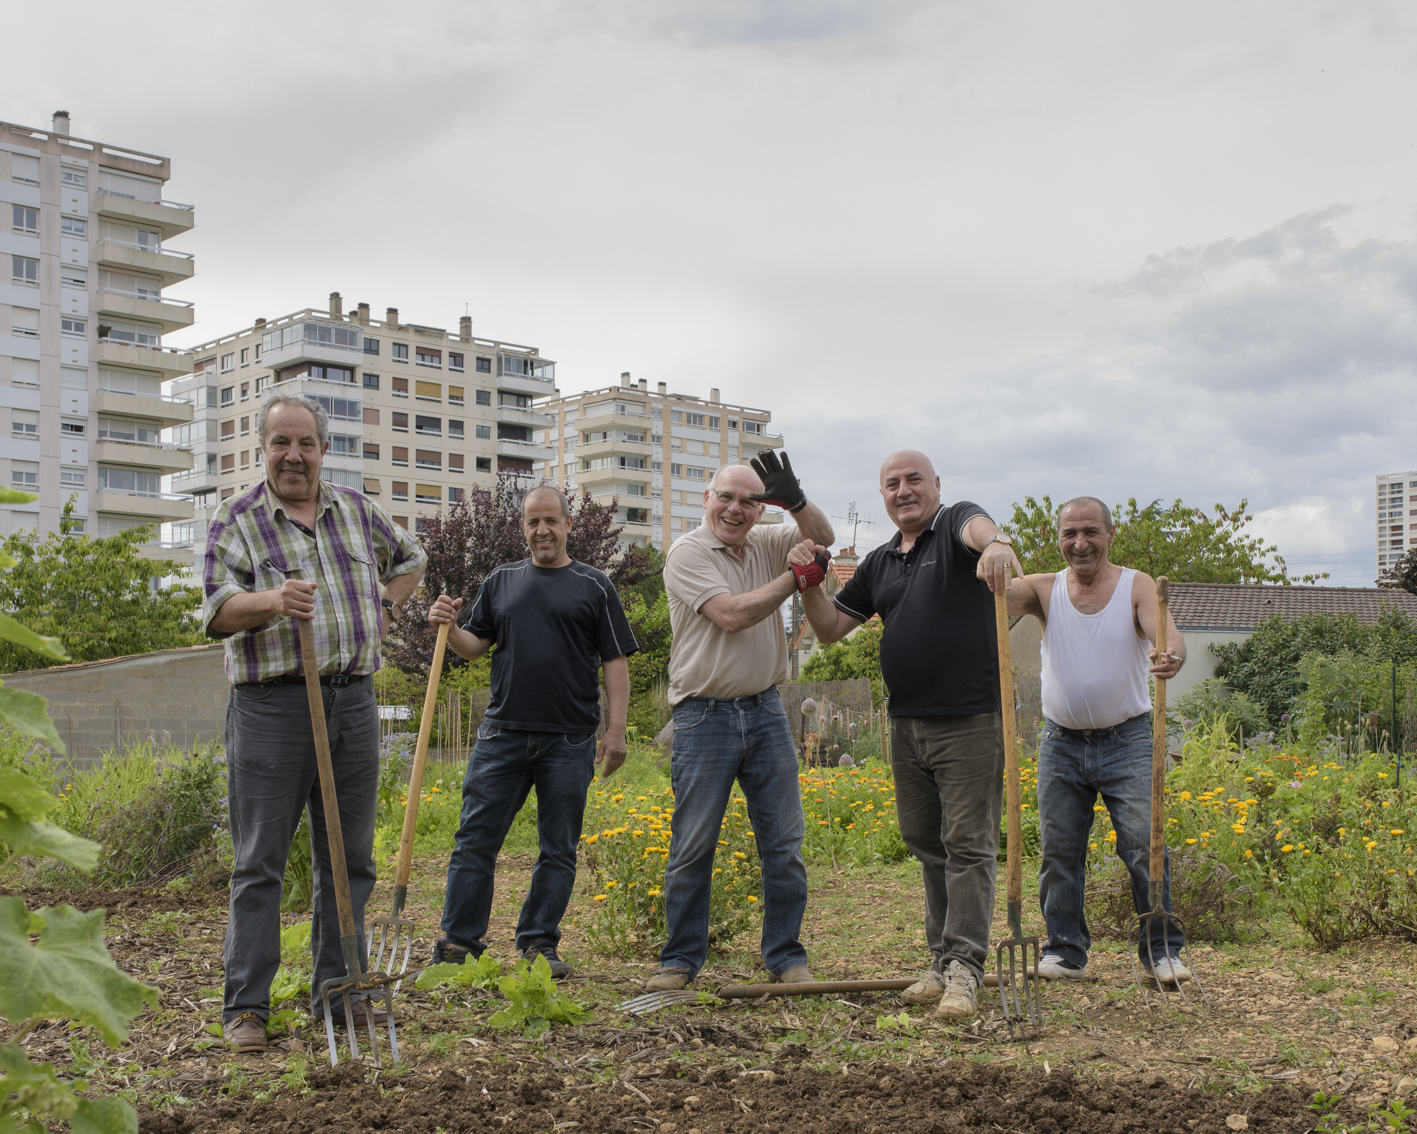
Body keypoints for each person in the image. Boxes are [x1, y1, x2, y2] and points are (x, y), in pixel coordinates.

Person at [204, 391, 427, 1055]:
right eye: (281, 442)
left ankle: (340, 990)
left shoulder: (356, 511)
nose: (293, 455)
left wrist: (386, 603)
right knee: (259, 862)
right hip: (272, 707)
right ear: (263, 449)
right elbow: (217, 610)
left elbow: (411, 559)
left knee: (349, 858)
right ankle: (247, 1007)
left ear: (324, 449)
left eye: (305, 442)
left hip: (351, 701)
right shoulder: (237, 519)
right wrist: (273, 601)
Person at [791, 450, 1020, 1020]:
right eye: (891, 484)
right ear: (883, 496)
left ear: (935, 484)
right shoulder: (878, 563)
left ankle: (966, 967)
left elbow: (979, 526)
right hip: (906, 722)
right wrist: (808, 582)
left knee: (968, 844)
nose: (903, 490)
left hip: (969, 719)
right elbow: (830, 628)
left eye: (914, 479)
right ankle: (941, 959)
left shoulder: (956, 526)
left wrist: (996, 544)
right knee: (926, 843)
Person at [428, 485, 637, 979]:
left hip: (569, 738)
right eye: (532, 522)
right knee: (475, 840)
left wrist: (616, 730)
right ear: (523, 527)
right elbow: (474, 645)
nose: (542, 530)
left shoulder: (594, 585)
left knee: (558, 848)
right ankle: (458, 947)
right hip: (502, 733)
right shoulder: (501, 580)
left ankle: (539, 944)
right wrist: (448, 626)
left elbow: (615, 660)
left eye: (551, 521)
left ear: (567, 524)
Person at [646, 452, 835, 991]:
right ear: (707, 499)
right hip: (703, 715)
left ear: (761, 510)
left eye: (749, 502)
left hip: (765, 709)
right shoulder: (687, 552)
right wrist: (795, 579)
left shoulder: (766, 540)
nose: (735, 509)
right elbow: (730, 615)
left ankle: (786, 957)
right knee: (694, 843)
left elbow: (822, 540)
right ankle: (680, 961)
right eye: (725, 497)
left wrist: (797, 503)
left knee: (783, 843)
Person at [1003, 496, 1189, 983]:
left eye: (1090, 532)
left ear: (1110, 535)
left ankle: (1162, 952)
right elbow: (991, 596)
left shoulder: (1136, 586)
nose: (1080, 543)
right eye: (1070, 534)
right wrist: (992, 554)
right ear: (1058, 539)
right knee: (1059, 851)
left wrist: (1170, 654)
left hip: (1128, 740)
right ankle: (1065, 951)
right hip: (1061, 742)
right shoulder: (1044, 590)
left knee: (1145, 844)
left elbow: (1167, 635)